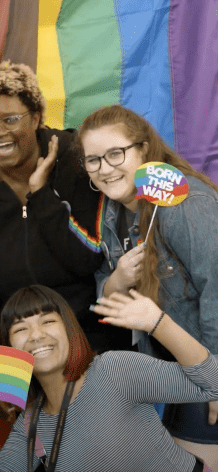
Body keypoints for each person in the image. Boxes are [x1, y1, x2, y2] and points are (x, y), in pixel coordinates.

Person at [0, 285, 218, 471]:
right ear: (11, 349)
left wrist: (158, 324)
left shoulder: (113, 370)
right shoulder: (31, 424)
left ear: (69, 330)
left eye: (48, 321)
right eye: (21, 329)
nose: (36, 335)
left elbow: (213, 384)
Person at [78, 105, 218, 468]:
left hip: (207, 368)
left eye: (115, 154)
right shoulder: (114, 210)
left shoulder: (186, 205)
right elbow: (108, 301)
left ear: (143, 149)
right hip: (176, 371)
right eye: (93, 160)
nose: (104, 168)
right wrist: (117, 281)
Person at [0, 61, 124, 353]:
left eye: (10, 119)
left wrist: (41, 196)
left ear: (35, 118)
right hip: (21, 349)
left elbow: (89, 259)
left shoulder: (78, 161)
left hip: (96, 341)